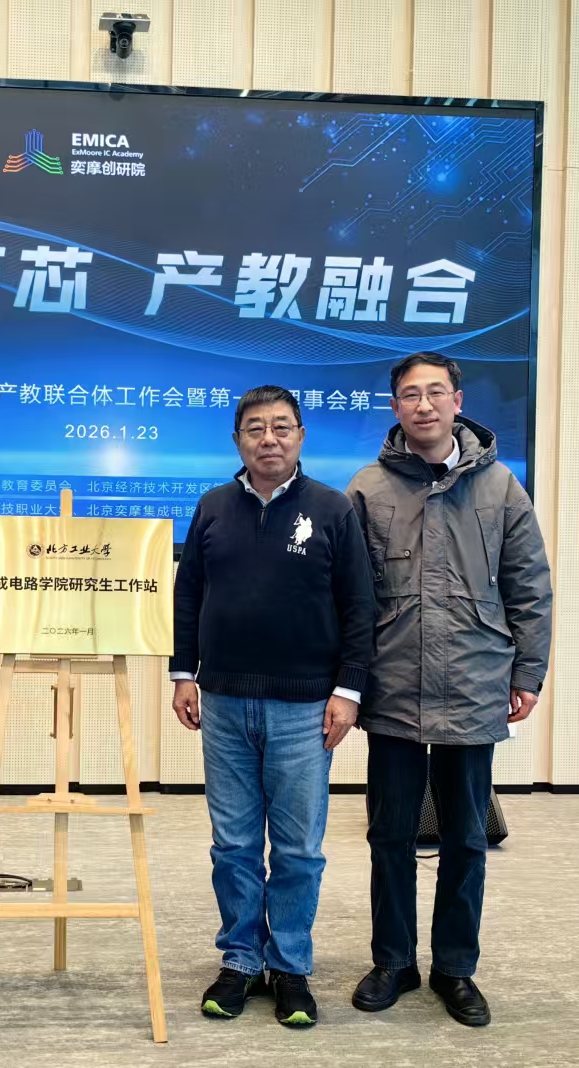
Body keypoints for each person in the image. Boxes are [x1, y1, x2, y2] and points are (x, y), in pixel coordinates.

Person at [346, 352, 551, 1028]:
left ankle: (456, 968)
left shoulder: (501, 487)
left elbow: (529, 586)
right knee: (390, 835)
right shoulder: (368, 488)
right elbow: (348, 597)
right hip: (393, 682)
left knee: (465, 837)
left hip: (472, 680)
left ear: (458, 401)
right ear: (395, 407)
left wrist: (528, 672)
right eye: (411, 394)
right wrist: (347, 681)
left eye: (437, 392)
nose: (425, 404)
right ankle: (393, 962)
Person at [171, 385, 376, 1027]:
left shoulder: (332, 509)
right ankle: (240, 960)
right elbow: (188, 593)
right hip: (224, 702)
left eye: (282, 427)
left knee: (298, 849)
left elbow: (359, 606)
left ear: (301, 436)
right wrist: (182, 673)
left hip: (305, 708)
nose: (269, 439)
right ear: (237, 440)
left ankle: (289, 966)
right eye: (255, 428)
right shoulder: (212, 507)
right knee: (232, 844)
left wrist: (348, 690)